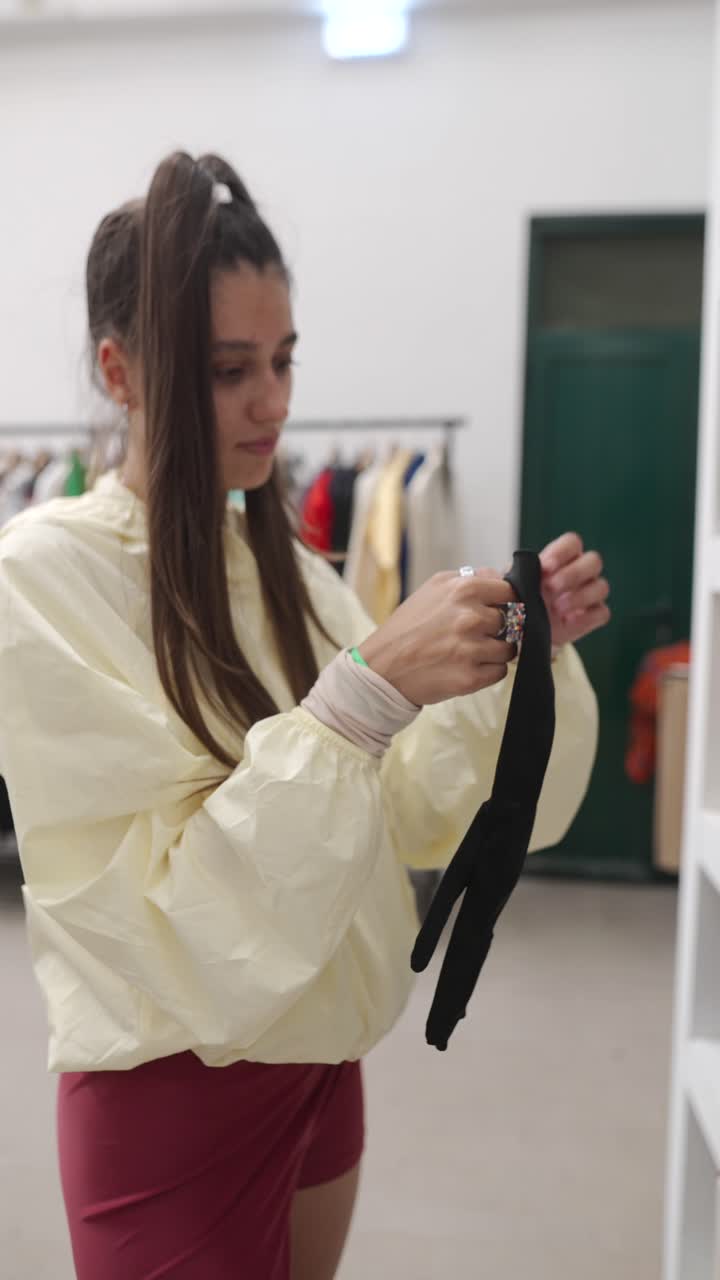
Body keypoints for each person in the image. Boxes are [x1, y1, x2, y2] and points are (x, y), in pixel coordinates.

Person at [0, 151, 607, 1280]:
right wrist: (364, 689)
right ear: (119, 370)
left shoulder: (278, 560)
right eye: (231, 368)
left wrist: (518, 659)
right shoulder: (42, 575)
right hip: (172, 1089)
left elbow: (410, 811)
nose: (274, 402)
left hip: (324, 1055)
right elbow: (160, 911)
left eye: (282, 360)